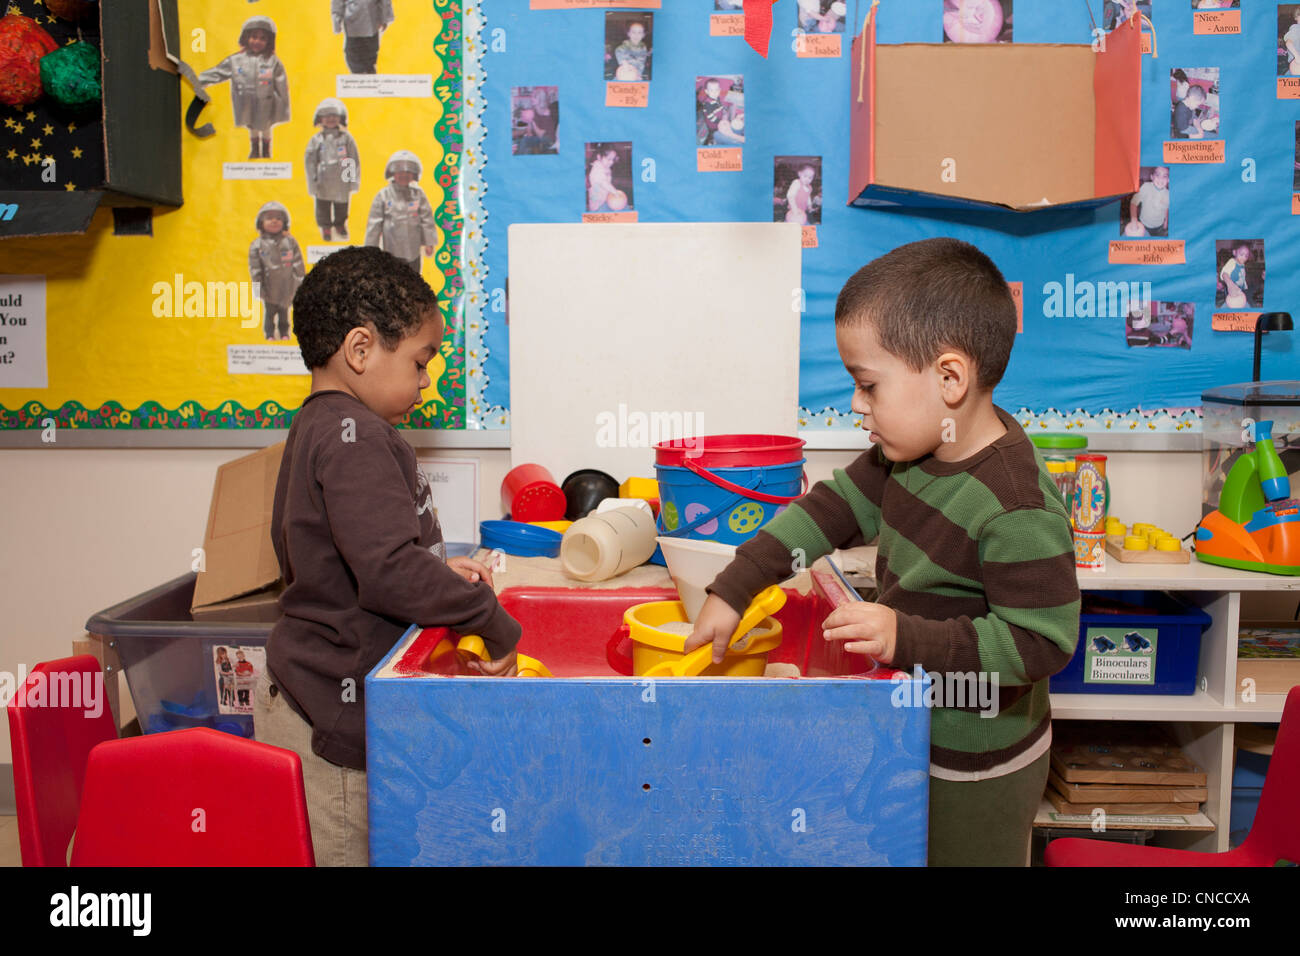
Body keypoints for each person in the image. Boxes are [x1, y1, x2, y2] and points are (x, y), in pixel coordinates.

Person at [685, 238, 1081, 867]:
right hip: (907, 732)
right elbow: (829, 510)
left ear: (949, 378)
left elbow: (1039, 645)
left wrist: (904, 637)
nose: (856, 405)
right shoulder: (907, 455)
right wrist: (737, 586)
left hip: (975, 765)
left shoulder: (1016, 506)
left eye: (868, 385)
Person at [256, 245, 521, 866]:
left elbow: (352, 555)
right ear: (360, 349)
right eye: (420, 362)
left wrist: (431, 569)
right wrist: (490, 619)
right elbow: (386, 571)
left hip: (315, 698)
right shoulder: (359, 439)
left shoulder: (324, 425)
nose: (425, 383)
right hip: (331, 723)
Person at [197, 16, 289, 159]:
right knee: (251, 124)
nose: (257, 41)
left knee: (265, 126)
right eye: (254, 37)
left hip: (266, 102)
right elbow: (219, 72)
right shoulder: (236, 60)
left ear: (269, 42)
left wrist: (283, 107)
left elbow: (281, 84)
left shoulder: (272, 61)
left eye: (263, 38)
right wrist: (198, 81)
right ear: (246, 37)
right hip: (246, 102)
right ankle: (254, 148)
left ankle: (266, 150)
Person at [364, 150, 436, 274]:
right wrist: (371, 250)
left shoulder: (418, 194)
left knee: (413, 277)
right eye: (400, 171)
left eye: (408, 172)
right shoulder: (383, 195)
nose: (404, 175)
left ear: (414, 174)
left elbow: (427, 219)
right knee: (394, 277)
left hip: (413, 251)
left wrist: (429, 243)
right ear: (392, 173)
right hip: (392, 250)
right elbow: (374, 224)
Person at [305, 98, 361, 242]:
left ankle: (340, 224)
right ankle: (325, 227)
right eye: (327, 116)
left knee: (342, 205)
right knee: (322, 206)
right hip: (323, 179)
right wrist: (312, 182)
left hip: (342, 178)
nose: (331, 119)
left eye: (334, 116)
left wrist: (352, 180)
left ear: (341, 118)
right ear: (320, 119)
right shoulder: (316, 140)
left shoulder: (346, 138)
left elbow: (352, 159)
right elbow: (310, 162)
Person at [249, 201, 305, 342]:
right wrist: (258, 290)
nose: (274, 221)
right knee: (269, 314)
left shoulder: (290, 242)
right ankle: (269, 334)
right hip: (268, 289)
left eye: (279, 218)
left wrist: (299, 286)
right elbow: (255, 270)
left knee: (284, 313)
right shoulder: (257, 245)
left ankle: (284, 332)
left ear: (285, 222)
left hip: (286, 288)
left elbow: (298, 265)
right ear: (261, 223)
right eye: (269, 218)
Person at [332, 0, 394, 75]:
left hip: (366, 24)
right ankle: (365, 74)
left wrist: (385, 18)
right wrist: (385, 18)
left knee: (363, 57)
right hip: (358, 25)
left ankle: (365, 74)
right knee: (361, 58)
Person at [1127, 166, 1169, 237]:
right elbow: (1133, 203)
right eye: (1157, 175)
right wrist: (1134, 220)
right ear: (1152, 177)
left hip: (1159, 226)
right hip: (1144, 224)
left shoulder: (1168, 194)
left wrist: (1166, 221)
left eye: (1164, 176)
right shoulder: (1146, 187)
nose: (1161, 179)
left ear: (1168, 180)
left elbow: (1166, 207)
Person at [587, 146, 620, 211]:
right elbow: (603, 182)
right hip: (597, 203)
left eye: (613, 159)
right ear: (599, 157)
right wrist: (614, 191)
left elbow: (608, 182)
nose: (611, 162)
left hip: (604, 198)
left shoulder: (606, 167)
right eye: (609, 159)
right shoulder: (597, 169)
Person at [696, 79, 727, 146]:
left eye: (716, 90)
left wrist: (723, 109)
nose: (714, 92)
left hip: (718, 117)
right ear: (707, 91)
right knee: (713, 132)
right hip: (712, 123)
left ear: (719, 90)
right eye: (711, 90)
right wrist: (719, 121)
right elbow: (710, 117)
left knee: (719, 129)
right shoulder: (707, 104)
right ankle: (710, 140)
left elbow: (719, 105)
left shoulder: (717, 97)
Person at [1219, 243, 1251, 308]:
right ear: (1234, 252)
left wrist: (1244, 284)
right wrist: (1230, 284)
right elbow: (1224, 274)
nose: (1244, 258)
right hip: (1231, 293)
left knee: (1245, 306)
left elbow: (1241, 275)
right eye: (1241, 254)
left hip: (1240, 291)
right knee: (1229, 306)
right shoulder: (1232, 262)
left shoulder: (1242, 264)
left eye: (1246, 256)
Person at [1285, 7, 1300, 76]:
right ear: (1296, 17)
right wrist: (1297, 57)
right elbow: (1288, 43)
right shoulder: (1296, 28)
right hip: (1296, 64)